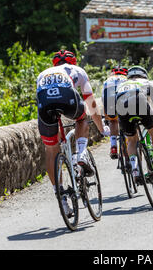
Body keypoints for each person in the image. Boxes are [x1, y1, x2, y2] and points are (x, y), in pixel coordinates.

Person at [36, 50, 110, 212]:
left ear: (54, 64)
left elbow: (42, 100)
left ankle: (61, 198)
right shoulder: (78, 71)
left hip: (45, 105)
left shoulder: (42, 74)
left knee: (51, 150)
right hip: (66, 97)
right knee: (82, 118)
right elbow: (90, 102)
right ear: (73, 62)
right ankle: (81, 153)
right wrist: (102, 128)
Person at [115, 66, 153, 183]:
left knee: (131, 140)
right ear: (144, 75)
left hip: (121, 106)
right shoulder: (148, 83)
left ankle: (135, 170)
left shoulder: (121, 85)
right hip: (139, 102)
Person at [102, 66, 128, 159]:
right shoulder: (127, 79)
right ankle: (128, 144)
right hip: (124, 99)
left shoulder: (107, 80)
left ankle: (113, 147)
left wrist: (106, 117)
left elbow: (103, 98)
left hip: (109, 99)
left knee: (113, 121)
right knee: (128, 120)